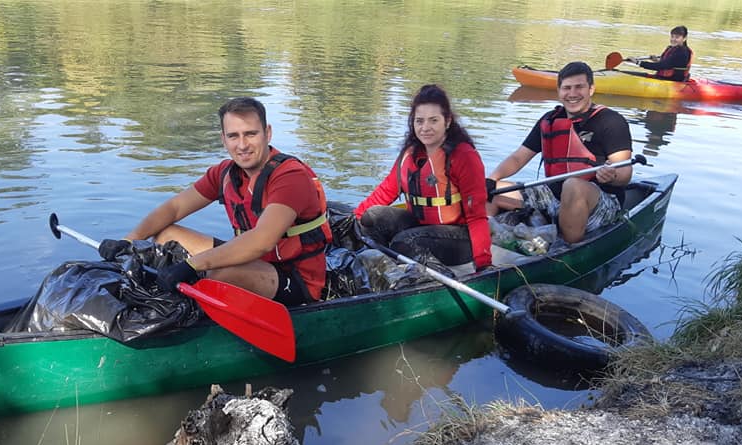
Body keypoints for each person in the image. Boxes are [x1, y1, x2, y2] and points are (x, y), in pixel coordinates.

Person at [98, 97, 331, 306]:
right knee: (164, 236)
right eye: (233, 136)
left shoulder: (290, 177)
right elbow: (174, 208)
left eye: (251, 134)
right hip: (252, 261)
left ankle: (186, 307)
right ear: (223, 139)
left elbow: (263, 241)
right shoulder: (225, 173)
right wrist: (128, 241)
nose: (242, 145)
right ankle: (167, 296)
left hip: (296, 279)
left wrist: (192, 265)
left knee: (220, 276)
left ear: (267, 133)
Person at [486, 61, 633, 244]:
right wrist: (490, 180)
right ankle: (484, 241)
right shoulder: (549, 120)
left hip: (600, 202)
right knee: (490, 191)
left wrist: (611, 175)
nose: (572, 94)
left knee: (572, 185)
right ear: (559, 92)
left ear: (591, 89)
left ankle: (564, 249)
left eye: (579, 87)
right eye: (567, 88)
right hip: (552, 195)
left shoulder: (611, 122)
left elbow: (625, 174)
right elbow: (518, 158)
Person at [354, 84, 491, 270]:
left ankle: (429, 278)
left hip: (459, 237)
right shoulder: (411, 153)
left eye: (433, 120)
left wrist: (483, 263)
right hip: (420, 226)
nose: (425, 128)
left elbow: (477, 216)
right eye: (419, 121)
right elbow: (386, 191)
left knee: (406, 242)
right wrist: (354, 219)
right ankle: (379, 270)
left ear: (447, 121)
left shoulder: (464, 156)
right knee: (372, 217)